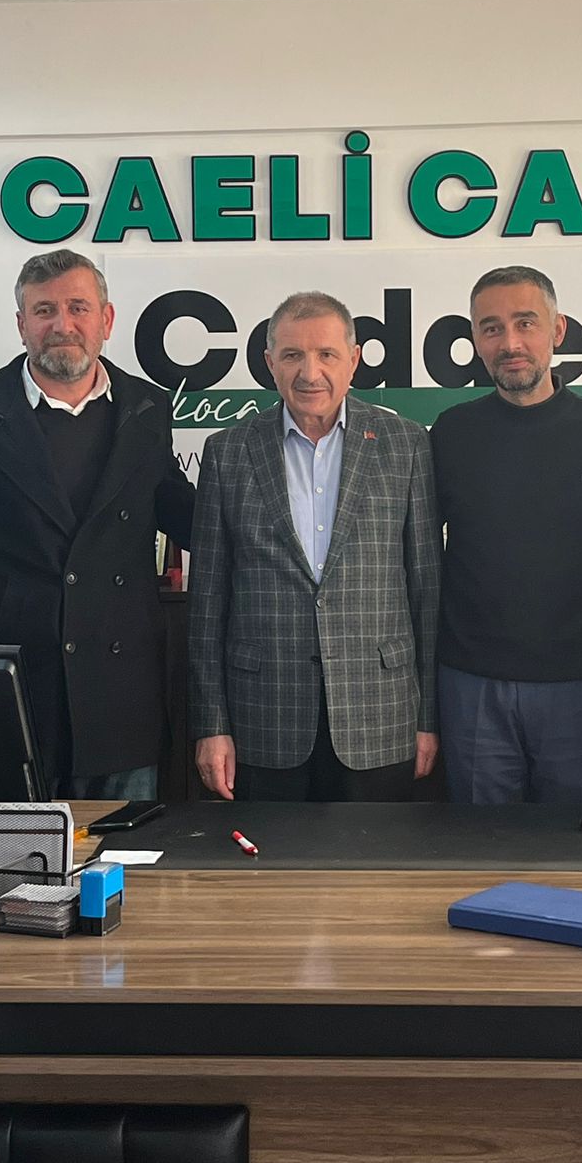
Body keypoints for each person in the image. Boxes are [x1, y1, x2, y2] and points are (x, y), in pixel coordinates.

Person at [0, 249, 195, 799]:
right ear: (21, 324)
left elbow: (181, 510)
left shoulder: (148, 407)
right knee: (11, 853)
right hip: (20, 689)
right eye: (44, 310)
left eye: (78, 307)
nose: (62, 325)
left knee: (122, 852)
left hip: (123, 694)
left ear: (106, 319)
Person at [189, 290, 441, 801]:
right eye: (292, 355)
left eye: (327, 354)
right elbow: (207, 602)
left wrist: (429, 719)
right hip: (264, 716)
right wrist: (212, 725)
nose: (310, 372)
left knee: (377, 856)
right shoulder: (227, 452)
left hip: (381, 716)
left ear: (354, 359)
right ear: (269, 363)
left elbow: (426, 590)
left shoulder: (406, 443)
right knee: (269, 855)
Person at [429, 266, 582, 803]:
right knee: (481, 842)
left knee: (574, 844)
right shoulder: (451, 433)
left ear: (558, 330)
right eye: (491, 328)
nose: (510, 343)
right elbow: (420, 559)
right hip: (471, 683)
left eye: (525, 323)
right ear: (475, 339)